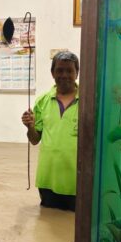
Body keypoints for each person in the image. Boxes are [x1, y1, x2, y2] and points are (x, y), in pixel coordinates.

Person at [21, 50, 80, 211]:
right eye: (59, 70)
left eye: (69, 70)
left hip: (76, 182)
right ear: (52, 73)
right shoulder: (42, 101)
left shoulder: (87, 101)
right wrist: (30, 127)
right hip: (47, 180)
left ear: (77, 73)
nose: (64, 75)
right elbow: (34, 140)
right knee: (47, 223)